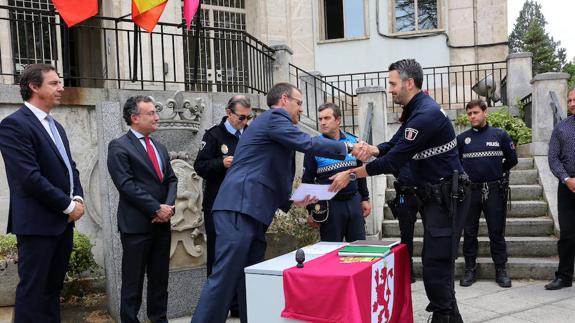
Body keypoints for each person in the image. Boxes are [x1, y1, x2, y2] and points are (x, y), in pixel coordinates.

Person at [191, 82, 364, 323]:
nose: (301, 110)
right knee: (225, 276)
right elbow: (309, 143)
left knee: (249, 277)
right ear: (284, 100)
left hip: (253, 211)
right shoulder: (274, 117)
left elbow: (269, 172)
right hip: (239, 207)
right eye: (299, 103)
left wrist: (298, 199)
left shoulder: (273, 125)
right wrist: (347, 146)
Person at [330, 59, 471, 323]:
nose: (391, 89)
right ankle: (450, 316)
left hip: (445, 200)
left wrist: (351, 174)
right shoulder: (415, 111)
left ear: (409, 83)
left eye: (393, 84)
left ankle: (444, 316)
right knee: (437, 262)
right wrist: (370, 149)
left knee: (436, 264)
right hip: (434, 197)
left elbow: (393, 161)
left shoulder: (424, 115)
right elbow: (394, 144)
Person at [0, 64, 85, 322]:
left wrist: (78, 197)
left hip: (61, 223)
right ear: (34, 87)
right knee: (33, 292)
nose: (61, 88)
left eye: (60, 82)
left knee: (52, 290)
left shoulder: (55, 126)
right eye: (54, 83)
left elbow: (70, 167)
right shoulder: (14, 125)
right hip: (37, 224)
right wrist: (68, 206)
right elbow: (29, 177)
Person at [107, 96, 178, 323]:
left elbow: (171, 179)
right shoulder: (119, 146)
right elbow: (126, 185)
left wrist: (167, 208)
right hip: (137, 226)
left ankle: (159, 319)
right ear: (135, 118)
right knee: (133, 283)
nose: (157, 117)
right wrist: (156, 208)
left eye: (156, 112)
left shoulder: (159, 146)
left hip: (162, 225)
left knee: (159, 282)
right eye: (151, 113)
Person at [193, 94, 252, 317]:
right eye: (241, 117)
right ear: (229, 113)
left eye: (248, 117)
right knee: (219, 257)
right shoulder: (214, 135)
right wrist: (222, 163)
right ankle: (217, 308)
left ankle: (238, 305)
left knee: (243, 254)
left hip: (244, 205)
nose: (244, 122)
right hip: (218, 206)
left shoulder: (250, 134)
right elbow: (199, 166)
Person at [457, 99, 517, 288]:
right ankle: (470, 269)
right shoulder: (462, 139)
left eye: (475, 112)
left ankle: (501, 270)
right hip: (470, 192)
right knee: (469, 232)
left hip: (494, 191)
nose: (472, 116)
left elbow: (512, 159)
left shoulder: (500, 135)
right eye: (469, 114)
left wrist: (497, 173)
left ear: (485, 112)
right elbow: (456, 165)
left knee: (496, 233)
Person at [302, 102, 371, 242]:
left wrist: (365, 198)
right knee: (331, 253)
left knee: (359, 250)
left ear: (338, 120)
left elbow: (360, 173)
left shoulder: (354, 142)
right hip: (330, 206)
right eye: (320, 119)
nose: (322, 123)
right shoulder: (314, 146)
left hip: (353, 201)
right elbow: (307, 181)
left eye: (327, 118)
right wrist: (310, 210)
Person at [546, 87, 575, 290]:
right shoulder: (561, 128)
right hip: (567, 188)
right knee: (567, 234)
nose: (572, 103)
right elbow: (553, 158)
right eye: (570, 100)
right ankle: (564, 276)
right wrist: (566, 178)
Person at [387, 163, 421, 283]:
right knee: (406, 235)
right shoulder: (401, 146)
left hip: (426, 192)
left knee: (432, 233)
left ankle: (431, 268)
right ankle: (407, 270)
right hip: (405, 195)